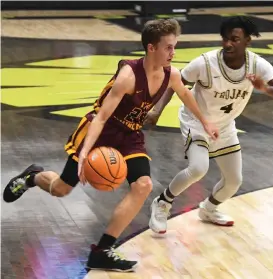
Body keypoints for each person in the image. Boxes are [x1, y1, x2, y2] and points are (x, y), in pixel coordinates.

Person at [3, 19, 218, 272]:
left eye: (174, 47)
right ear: (151, 48)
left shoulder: (171, 74)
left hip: (130, 135)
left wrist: (206, 122)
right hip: (101, 130)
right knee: (61, 189)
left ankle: (102, 250)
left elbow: (184, 93)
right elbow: (102, 117)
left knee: (143, 185)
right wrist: (84, 155)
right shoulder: (128, 76)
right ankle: (32, 177)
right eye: (168, 47)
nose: (173, 53)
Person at [147, 16, 273, 234]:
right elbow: (174, 84)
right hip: (196, 122)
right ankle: (162, 203)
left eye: (235, 39)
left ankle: (208, 209)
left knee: (234, 181)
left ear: (247, 42)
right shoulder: (205, 63)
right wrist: (156, 110)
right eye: (225, 39)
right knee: (198, 168)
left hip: (224, 126)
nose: (228, 44)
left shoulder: (257, 64)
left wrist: (265, 89)